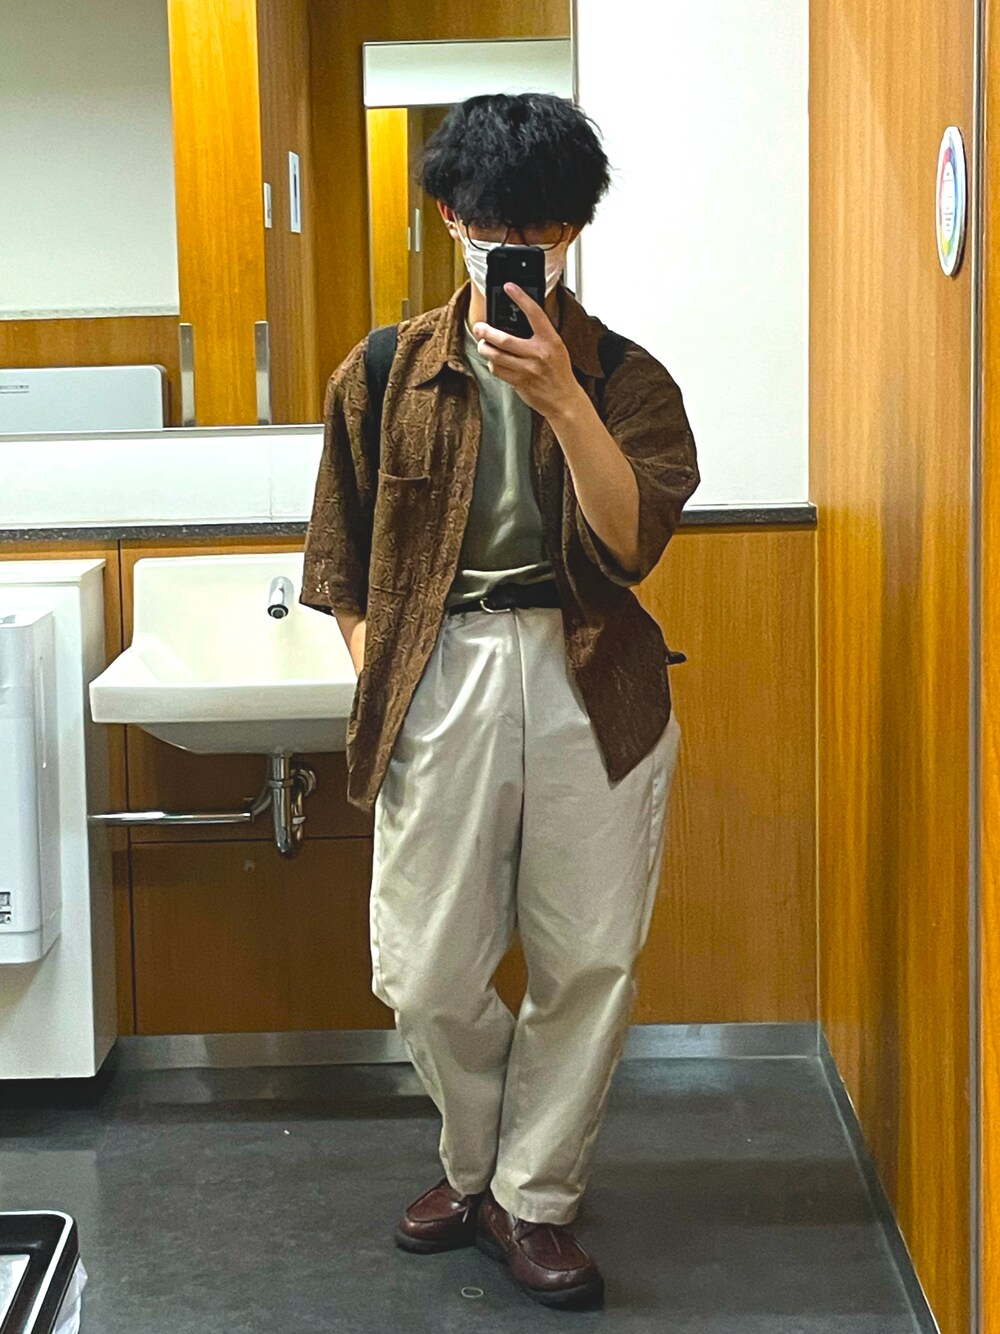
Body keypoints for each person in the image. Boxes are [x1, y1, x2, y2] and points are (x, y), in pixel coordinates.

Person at [300, 91, 700, 1311]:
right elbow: (340, 559)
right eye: (491, 223)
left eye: (542, 227)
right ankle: (474, 1164)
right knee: (423, 969)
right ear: (447, 215)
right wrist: (383, 668)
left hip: (593, 679)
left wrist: (564, 398)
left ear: (574, 230)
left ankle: (534, 1195)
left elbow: (631, 545)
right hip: (440, 673)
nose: (515, 245)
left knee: (589, 957)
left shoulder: (627, 378)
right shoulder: (382, 370)